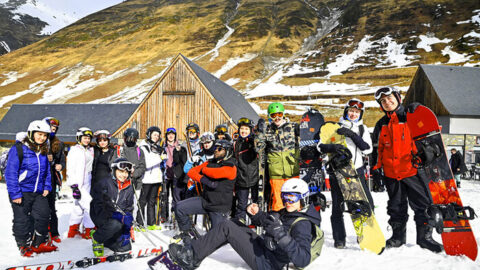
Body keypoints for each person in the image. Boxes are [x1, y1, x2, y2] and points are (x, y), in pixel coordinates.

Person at [167, 178, 323, 270]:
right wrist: (256, 214)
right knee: (235, 223)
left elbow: (303, 259)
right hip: (265, 249)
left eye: (292, 198)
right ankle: (198, 251)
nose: (288, 202)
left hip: (268, 263)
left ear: (304, 198)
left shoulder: (303, 224)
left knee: (227, 227)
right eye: (285, 197)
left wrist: (281, 235)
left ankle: (191, 256)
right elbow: (270, 222)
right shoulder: (289, 212)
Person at [372, 86, 443, 252]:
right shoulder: (381, 124)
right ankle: (397, 238)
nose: (387, 102)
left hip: (413, 171)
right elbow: (378, 150)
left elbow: (429, 135)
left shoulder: (411, 116)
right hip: (391, 173)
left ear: (398, 98)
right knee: (396, 207)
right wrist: (376, 170)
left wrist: (419, 109)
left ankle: (425, 238)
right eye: (383, 101)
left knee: (422, 205)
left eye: (390, 98)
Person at [317, 98, 373, 249]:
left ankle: (364, 235)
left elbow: (367, 149)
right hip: (338, 170)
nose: (353, 114)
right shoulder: (335, 127)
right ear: (346, 111)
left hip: (357, 170)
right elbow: (320, 146)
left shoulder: (362, 129)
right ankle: (339, 238)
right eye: (351, 111)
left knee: (364, 204)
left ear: (360, 114)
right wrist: (332, 147)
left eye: (356, 112)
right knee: (337, 206)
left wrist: (353, 135)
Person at [5, 120, 57, 257]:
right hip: (21, 191)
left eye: (45, 136)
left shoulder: (43, 151)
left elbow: (46, 172)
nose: (42, 138)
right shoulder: (19, 149)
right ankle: (23, 244)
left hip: (38, 191)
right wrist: (15, 194)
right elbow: (10, 173)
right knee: (21, 220)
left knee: (44, 215)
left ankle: (38, 243)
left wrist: (47, 186)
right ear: (31, 133)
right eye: (39, 134)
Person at [172, 139, 237, 243]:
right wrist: (204, 180)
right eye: (215, 148)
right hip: (205, 201)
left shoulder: (231, 166)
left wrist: (203, 170)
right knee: (179, 207)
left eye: (219, 149)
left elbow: (217, 173)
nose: (216, 150)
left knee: (217, 239)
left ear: (227, 151)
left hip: (219, 207)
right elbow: (191, 171)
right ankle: (187, 233)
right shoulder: (210, 162)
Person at [256, 102, 300, 212]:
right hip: (276, 171)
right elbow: (258, 147)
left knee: (294, 199)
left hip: (292, 169)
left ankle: (295, 223)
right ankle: (279, 224)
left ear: (283, 114)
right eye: (273, 115)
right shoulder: (268, 130)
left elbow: (304, 141)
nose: (277, 118)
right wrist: (260, 132)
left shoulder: (293, 127)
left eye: (279, 114)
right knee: (278, 200)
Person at [90, 158, 135, 257]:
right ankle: (97, 238)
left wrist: (127, 227)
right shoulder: (105, 183)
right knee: (116, 224)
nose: (124, 175)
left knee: (125, 247)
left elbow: (128, 208)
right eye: (121, 171)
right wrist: (115, 216)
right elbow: (98, 205)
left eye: (126, 172)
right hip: (101, 215)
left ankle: (107, 239)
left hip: (117, 219)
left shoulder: (129, 187)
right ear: (114, 170)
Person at [67, 127, 95, 239]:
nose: (87, 140)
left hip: (88, 180)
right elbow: (70, 169)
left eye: (88, 138)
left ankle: (73, 230)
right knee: (89, 204)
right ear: (79, 138)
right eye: (84, 138)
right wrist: (74, 186)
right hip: (78, 183)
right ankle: (89, 230)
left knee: (78, 206)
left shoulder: (90, 150)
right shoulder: (74, 151)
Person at [137, 126, 167, 230]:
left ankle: (151, 223)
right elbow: (146, 163)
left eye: (158, 135)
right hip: (147, 179)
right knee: (143, 201)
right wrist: (160, 158)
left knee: (152, 201)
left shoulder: (157, 147)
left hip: (156, 178)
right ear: (149, 134)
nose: (156, 137)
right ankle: (139, 222)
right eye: (154, 135)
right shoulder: (143, 147)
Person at [43, 117, 66, 244]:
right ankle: (41, 231)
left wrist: (60, 166)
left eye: (55, 128)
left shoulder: (58, 144)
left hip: (51, 178)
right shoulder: (38, 141)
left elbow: (62, 160)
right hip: (39, 178)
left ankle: (54, 232)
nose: (53, 130)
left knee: (51, 206)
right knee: (40, 207)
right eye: (51, 127)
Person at [233, 117, 259, 224]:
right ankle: (240, 223)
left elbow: (258, 149)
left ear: (251, 130)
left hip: (254, 178)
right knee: (241, 204)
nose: (243, 131)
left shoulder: (253, 141)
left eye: (246, 129)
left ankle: (256, 221)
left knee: (255, 203)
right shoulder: (236, 143)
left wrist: (256, 138)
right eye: (242, 129)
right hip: (241, 178)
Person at [163, 127, 180, 222]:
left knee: (175, 197)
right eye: (169, 134)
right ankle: (164, 216)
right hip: (166, 175)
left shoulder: (179, 147)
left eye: (172, 134)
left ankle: (174, 214)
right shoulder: (163, 147)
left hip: (175, 175)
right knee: (165, 196)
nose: (170, 136)